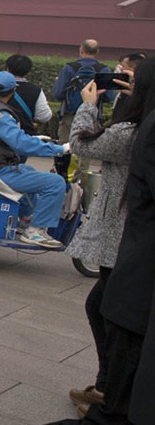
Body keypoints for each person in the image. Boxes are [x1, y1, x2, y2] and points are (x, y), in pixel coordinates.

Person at [63, 61, 146, 416]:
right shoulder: (142, 124)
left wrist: (88, 104)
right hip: (126, 235)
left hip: (120, 237)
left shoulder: (132, 132)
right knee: (102, 309)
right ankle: (106, 384)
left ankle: (111, 390)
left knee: (106, 312)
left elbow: (81, 142)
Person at [0, 72, 69, 248]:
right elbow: (21, 144)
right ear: (14, 90)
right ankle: (35, 232)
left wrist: (35, 140)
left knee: (29, 172)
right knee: (55, 183)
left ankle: (24, 219)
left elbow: (11, 136)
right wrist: (59, 149)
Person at [54, 39, 117, 141]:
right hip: (93, 116)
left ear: (81, 49)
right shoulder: (104, 69)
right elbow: (109, 97)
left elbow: (58, 94)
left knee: (66, 149)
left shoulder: (69, 68)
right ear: (97, 52)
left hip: (70, 115)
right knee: (88, 147)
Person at [0, 54, 54, 135]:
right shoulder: (36, 90)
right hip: (25, 135)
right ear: (28, 71)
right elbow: (45, 116)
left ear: (7, 69)